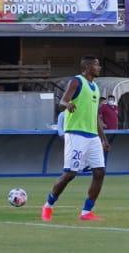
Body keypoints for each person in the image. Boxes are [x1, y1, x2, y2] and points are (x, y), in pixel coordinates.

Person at [42, 56, 109, 222]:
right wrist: (68, 104)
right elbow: (63, 101)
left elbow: (95, 116)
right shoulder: (77, 81)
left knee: (100, 172)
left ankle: (86, 211)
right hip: (76, 134)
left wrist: (103, 138)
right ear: (87, 67)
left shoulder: (95, 88)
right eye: (96, 64)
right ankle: (48, 205)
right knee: (70, 174)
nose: (99, 67)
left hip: (92, 136)